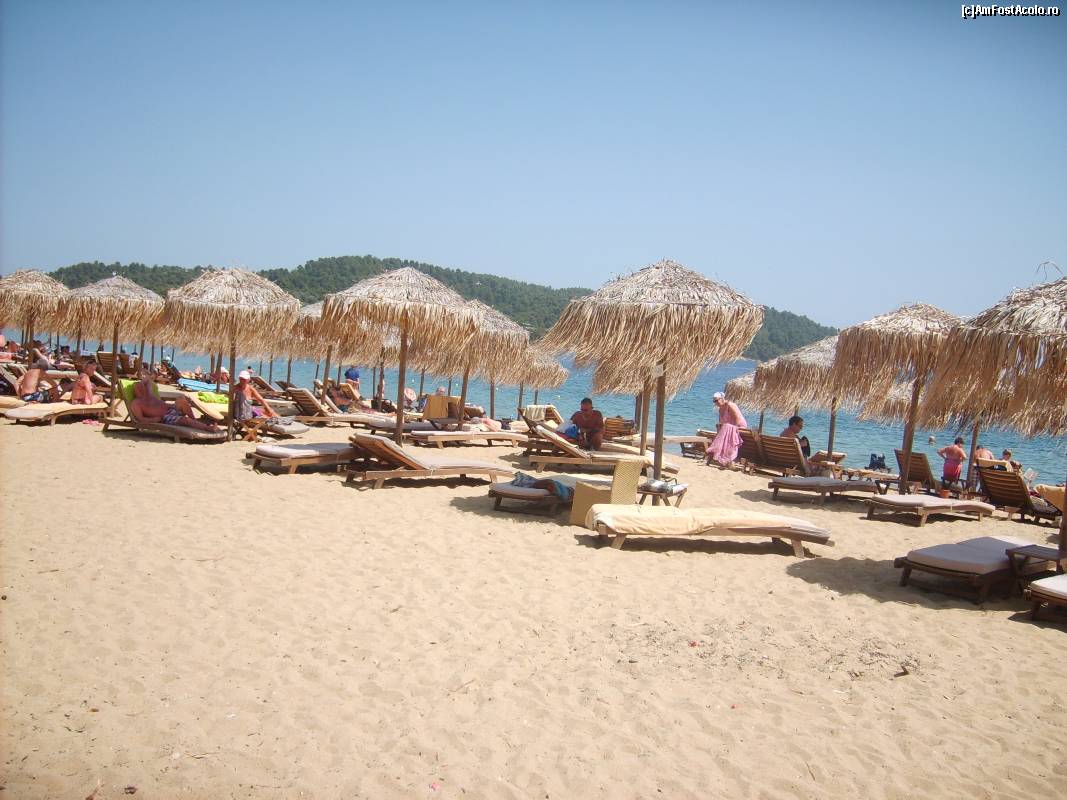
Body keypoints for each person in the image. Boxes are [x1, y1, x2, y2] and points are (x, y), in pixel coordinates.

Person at [130, 374, 218, 431]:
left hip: (170, 409)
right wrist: (154, 420)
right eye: (138, 388)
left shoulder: (149, 393)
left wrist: (142, 382)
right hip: (165, 417)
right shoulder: (136, 403)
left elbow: (149, 379)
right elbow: (140, 419)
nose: (141, 388)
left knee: (181, 400)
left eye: (141, 386)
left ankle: (194, 422)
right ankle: (207, 428)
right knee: (185, 420)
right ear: (135, 392)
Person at [705, 391, 748, 467]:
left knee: (726, 428)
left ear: (722, 399)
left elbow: (738, 418)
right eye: (714, 401)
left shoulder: (730, 405)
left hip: (739, 427)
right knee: (723, 428)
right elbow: (722, 422)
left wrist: (733, 429)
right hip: (728, 428)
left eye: (716, 400)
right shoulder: (720, 409)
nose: (715, 403)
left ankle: (724, 457)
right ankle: (723, 457)